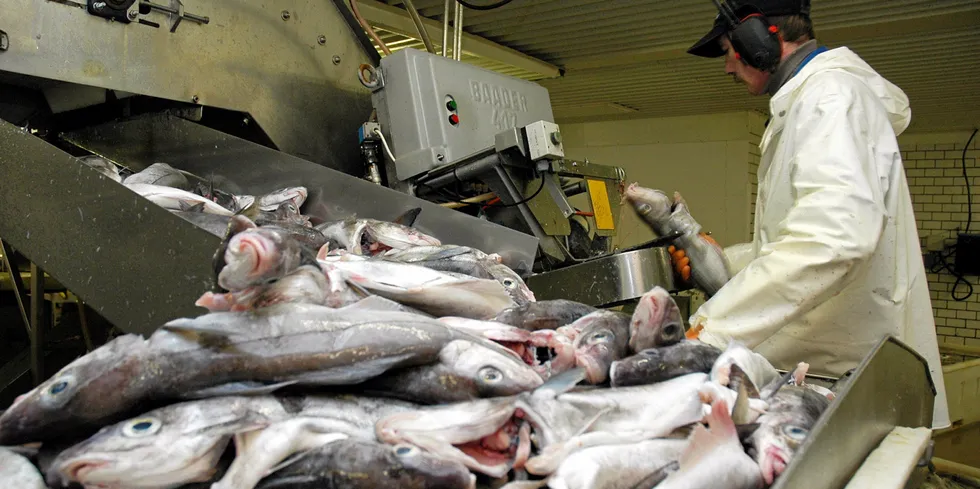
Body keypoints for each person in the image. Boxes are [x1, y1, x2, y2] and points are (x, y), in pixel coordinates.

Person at [670, 0, 950, 429]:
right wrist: (724, 261)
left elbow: (833, 239)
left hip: (847, 381)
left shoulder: (830, 99)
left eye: (729, 49)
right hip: (823, 369)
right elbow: (799, 238)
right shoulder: (808, 104)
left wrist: (711, 328)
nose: (727, 67)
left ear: (762, 39)